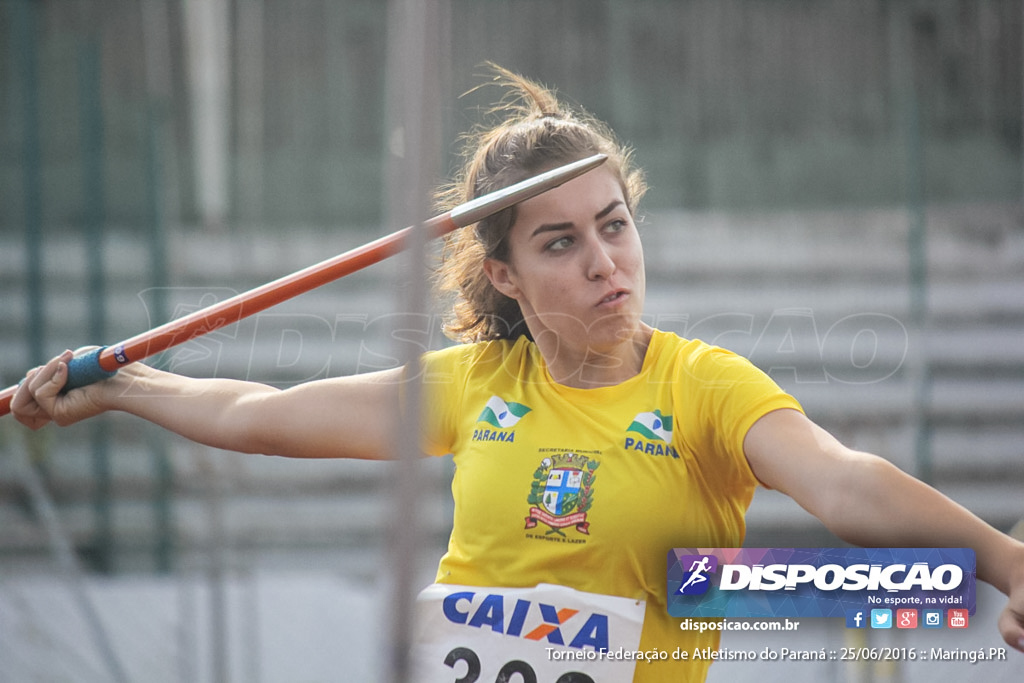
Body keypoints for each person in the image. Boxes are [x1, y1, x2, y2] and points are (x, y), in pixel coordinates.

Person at [12, 65, 1024, 683]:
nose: (603, 263)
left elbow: (844, 480)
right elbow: (262, 410)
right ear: (503, 270)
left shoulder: (703, 387)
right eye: (559, 241)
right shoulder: (479, 384)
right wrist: (120, 387)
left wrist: (1004, 560)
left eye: (614, 225)